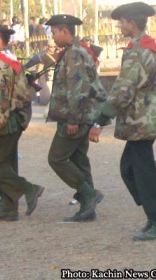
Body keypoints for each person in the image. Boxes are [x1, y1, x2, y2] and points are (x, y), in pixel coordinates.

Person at [89, 2, 156, 241]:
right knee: (130, 169)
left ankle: (155, 218)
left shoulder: (139, 50)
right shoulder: (145, 47)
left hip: (141, 120)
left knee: (141, 171)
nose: (120, 25)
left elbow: (123, 90)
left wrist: (101, 118)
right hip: (143, 119)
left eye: (123, 21)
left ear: (132, 23)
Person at [0, 25, 44, 222]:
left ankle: (29, 189)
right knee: (7, 164)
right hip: (12, 119)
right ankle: (9, 207)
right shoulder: (8, 59)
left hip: (4, 121)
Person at [45, 14, 108, 222]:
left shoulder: (74, 53)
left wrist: (72, 119)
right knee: (79, 160)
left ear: (65, 30)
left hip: (76, 117)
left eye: (54, 32)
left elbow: (76, 89)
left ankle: (88, 194)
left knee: (56, 158)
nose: (52, 37)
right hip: (83, 115)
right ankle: (87, 207)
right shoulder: (76, 51)